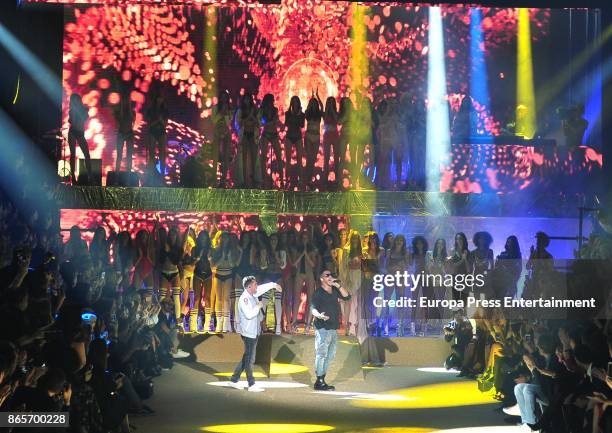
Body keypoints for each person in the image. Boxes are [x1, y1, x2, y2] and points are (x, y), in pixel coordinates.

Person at [229, 276, 281, 392]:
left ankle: (234, 379)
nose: (257, 286)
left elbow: (262, 288)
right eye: (255, 284)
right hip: (248, 334)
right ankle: (251, 384)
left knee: (246, 358)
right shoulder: (244, 299)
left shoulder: (253, 294)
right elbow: (249, 314)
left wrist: (273, 284)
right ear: (249, 287)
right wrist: (258, 306)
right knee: (250, 359)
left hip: (253, 332)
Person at [311, 270, 351, 391]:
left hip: (333, 327)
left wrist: (337, 285)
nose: (330, 277)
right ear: (321, 279)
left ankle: (322, 378)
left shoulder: (334, 290)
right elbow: (312, 308)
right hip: (322, 327)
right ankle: (319, 381)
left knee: (331, 355)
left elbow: (347, 297)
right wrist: (319, 315)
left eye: (331, 275)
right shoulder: (318, 293)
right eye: (327, 275)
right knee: (321, 354)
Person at [68, 93, 92, 184]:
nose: (74, 101)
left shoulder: (83, 109)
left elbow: (85, 118)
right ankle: (73, 177)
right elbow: (73, 122)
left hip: (80, 133)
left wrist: (84, 111)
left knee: (87, 154)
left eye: (76, 100)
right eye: (73, 100)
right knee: (72, 154)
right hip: (73, 132)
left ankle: (90, 176)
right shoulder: (72, 111)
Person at [144, 86, 169, 177]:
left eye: (161, 98)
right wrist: (157, 121)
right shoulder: (151, 110)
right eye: (158, 98)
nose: (160, 100)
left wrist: (160, 120)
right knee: (151, 154)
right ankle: (151, 174)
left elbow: (165, 124)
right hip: (153, 132)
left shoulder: (164, 110)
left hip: (161, 132)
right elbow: (149, 125)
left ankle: (162, 175)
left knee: (162, 154)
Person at [259, 94, 282, 187]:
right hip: (266, 134)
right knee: (263, 157)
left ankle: (281, 179)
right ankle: (263, 179)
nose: (272, 102)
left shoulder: (275, 110)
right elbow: (261, 122)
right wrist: (269, 122)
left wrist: (268, 123)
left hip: (274, 134)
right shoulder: (262, 110)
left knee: (279, 156)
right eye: (271, 100)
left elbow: (275, 120)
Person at [114, 84, 135, 172]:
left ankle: (128, 173)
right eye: (125, 99)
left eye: (128, 100)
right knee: (119, 155)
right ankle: (117, 174)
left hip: (129, 133)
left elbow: (132, 120)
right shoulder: (118, 110)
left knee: (129, 155)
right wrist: (122, 106)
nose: (126, 101)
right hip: (121, 133)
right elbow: (119, 120)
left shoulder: (132, 111)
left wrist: (129, 106)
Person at [304, 91, 323, 189]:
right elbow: (307, 109)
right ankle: (308, 179)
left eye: (315, 104)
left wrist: (318, 97)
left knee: (313, 159)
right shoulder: (308, 113)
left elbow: (322, 107)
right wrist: (311, 98)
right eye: (312, 103)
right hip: (308, 136)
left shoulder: (319, 114)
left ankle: (308, 178)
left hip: (316, 137)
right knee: (309, 159)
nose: (314, 105)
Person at [285, 96, 305, 187]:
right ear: (291, 104)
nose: (295, 104)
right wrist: (294, 117)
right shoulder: (288, 113)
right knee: (288, 159)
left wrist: (299, 114)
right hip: (289, 136)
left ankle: (300, 179)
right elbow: (287, 123)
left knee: (299, 160)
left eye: (296, 102)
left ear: (299, 103)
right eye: (293, 102)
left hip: (298, 136)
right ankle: (287, 179)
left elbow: (302, 125)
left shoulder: (302, 114)